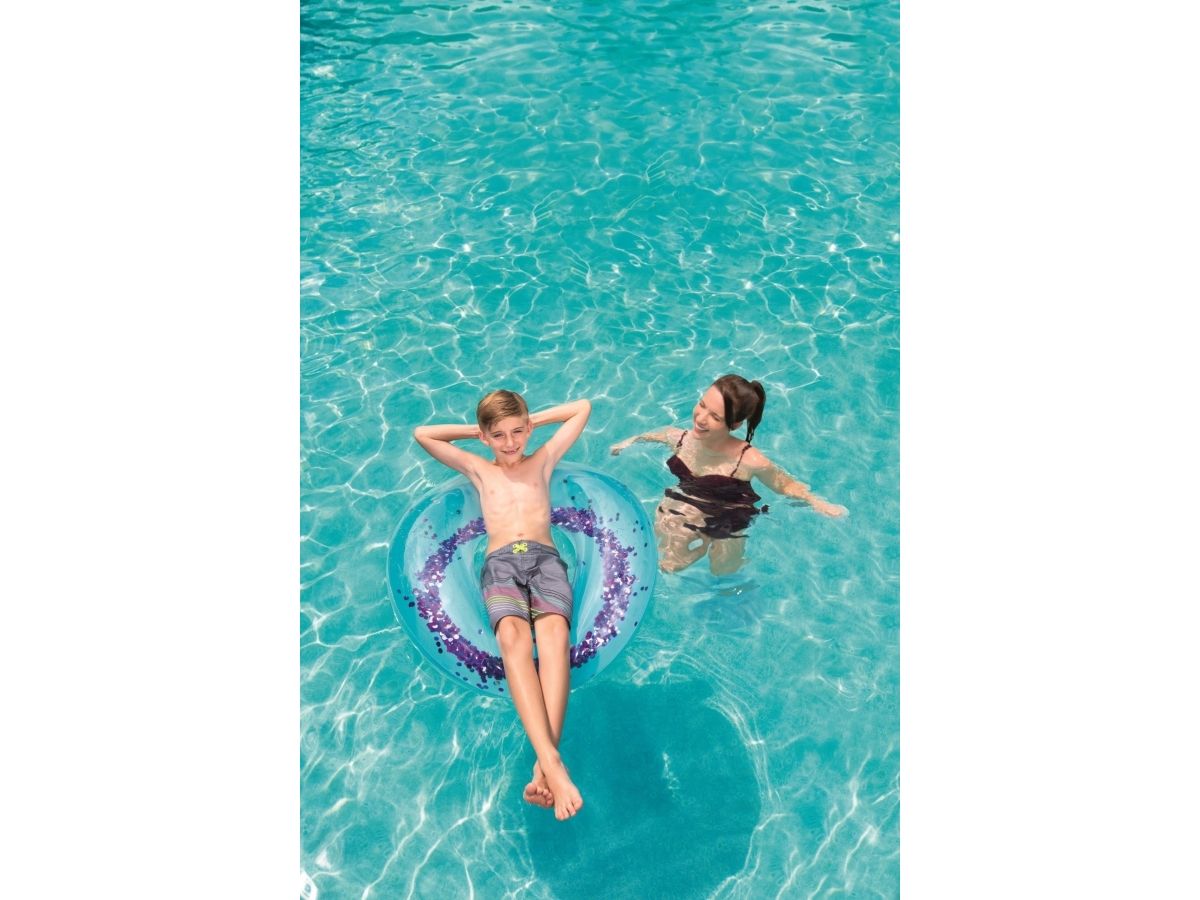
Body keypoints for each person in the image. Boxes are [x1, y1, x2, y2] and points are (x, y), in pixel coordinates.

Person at [413, 390, 591, 821]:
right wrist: (477, 431)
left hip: (545, 560)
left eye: (518, 432)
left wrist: (532, 421)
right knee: (513, 637)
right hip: (500, 564)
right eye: (499, 435)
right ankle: (551, 763)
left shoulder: (542, 459)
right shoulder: (480, 469)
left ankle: (545, 763)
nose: (510, 443)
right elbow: (424, 434)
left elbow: (581, 408)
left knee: (555, 634)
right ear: (485, 438)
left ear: (528, 429)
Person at [610, 374, 846, 575]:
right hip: (691, 501)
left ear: (735, 424)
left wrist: (817, 502)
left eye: (715, 417)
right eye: (702, 405)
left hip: (730, 514)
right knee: (666, 556)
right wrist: (629, 441)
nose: (701, 418)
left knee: (723, 571)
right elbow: (656, 434)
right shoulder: (680, 438)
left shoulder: (748, 460)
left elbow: (784, 484)